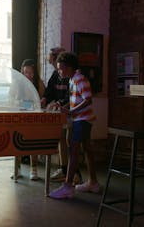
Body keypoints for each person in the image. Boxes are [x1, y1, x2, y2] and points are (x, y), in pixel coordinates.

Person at [49, 52, 100, 199]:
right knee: (87, 150)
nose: (59, 71)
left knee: (74, 150)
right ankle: (93, 182)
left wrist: (71, 111)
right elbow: (76, 100)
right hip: (81, 119)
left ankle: (68, 186)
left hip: (82, 120)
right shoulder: (72, 80)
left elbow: (88, 99)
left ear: (70, 67)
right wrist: (63, 105)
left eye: (61, 68)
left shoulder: (79, 79)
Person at [40, 47, 81, 183]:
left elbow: (72, 96)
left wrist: (61, 104)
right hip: (62, 112)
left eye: (54, 63)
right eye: (53, 64)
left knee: (71, 142)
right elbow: (49, 90)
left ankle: (75, 173)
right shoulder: (55, 75)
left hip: (71, 112)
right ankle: (64, 170)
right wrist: (45, 98)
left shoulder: (72, 77)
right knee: (61, 138)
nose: (55, 67)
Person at [12, 59, 45, 180]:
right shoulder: (16, 82)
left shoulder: (39, 83)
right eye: (26, 72)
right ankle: (17, 169)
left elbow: (43, 100)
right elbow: (11, 99)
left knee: (33, 142)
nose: (29, 75)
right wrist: (24, 104)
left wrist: (38, 103)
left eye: (31, 73)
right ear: (22, 71)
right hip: (19, 116)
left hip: (33, 117)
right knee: (17, 142)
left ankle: (34, 169)